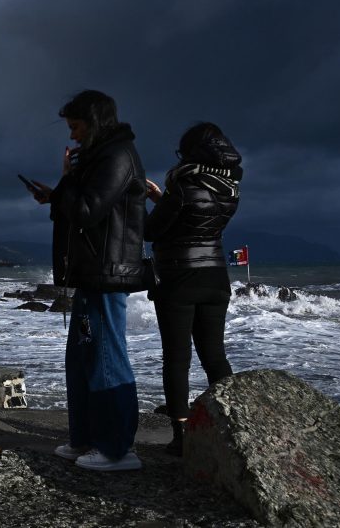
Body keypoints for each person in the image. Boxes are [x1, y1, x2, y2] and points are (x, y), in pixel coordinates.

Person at [27, 90, 145, 472]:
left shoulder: (117, 155)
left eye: (76, 127)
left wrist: (66, 182)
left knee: (105, 355)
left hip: (106, 275)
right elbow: (80, 208)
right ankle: (87, 439)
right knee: (81, 357)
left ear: (95, 123)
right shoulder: (101, 157)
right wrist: (60, 192)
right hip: (91, 275)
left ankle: (116, 450)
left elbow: (86, 211)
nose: (73, 136)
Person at [145, 122, 241, 455]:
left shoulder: (183, 185)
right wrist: (164, 198)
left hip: (179, 278)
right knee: (215, 357)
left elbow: (152, 230)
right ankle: (236, 428)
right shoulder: (230, 188)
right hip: (216, 278)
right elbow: (199, 223)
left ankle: (182, 437)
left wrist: (155, 201)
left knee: (177, 359)